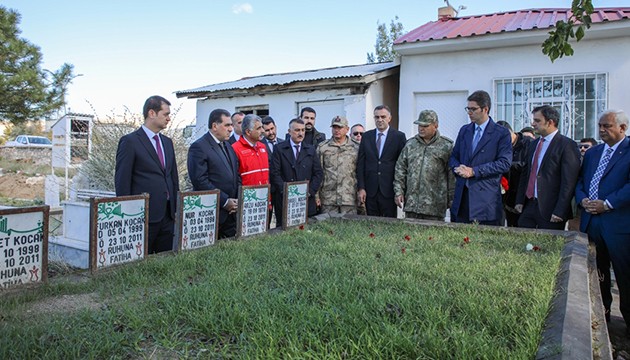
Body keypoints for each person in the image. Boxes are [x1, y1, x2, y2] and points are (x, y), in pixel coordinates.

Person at [575, 109, 630, 327]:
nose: (601, 130)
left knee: (625, 278)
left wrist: (607, 204)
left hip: (619, 226)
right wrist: (583, 200)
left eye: (606, 126)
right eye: (600, 125)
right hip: (592, 224)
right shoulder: (592, 153)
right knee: (597, 275)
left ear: (622, 128)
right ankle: (602, 319)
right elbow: (580, 182)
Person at [115, 95, 180, 254]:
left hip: (167, 215)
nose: (168, 119)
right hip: (143, 216)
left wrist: (176, 208)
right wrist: (128, 214)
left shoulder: (167, 142)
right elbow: (122, 180)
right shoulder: (130, 141)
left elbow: (173, 177)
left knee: (165, 259)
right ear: (152, 113)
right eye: (165, 114)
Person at [448, 90, 512, 225]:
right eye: (468, 109)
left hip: (486, 200)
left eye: (473, 109)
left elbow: (504, 163)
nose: (469, 112)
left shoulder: (500, 133)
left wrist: (474, 171)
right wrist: (457, 167)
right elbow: (454, 156)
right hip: (463, 197)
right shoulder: (465, 130)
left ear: (485, 109)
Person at [514, 105, 580, 230]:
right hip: (529, 205)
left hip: (551, 209)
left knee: (547, 247)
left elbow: (569, 182)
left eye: (537, 121)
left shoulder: (566, 145)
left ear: (550, 122)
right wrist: (519, 201)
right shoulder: (533, 144)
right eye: (533, 120)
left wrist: (560, 210)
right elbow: (526, 174)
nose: (533, 124)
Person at [187, 109, 241, 238]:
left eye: (231, 125)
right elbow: (200, 181)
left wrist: (236, 200)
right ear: (215, 126)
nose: (230, 129)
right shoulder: (199, 147)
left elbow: (236, 175)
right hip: (212, 213)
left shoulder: (228, 146)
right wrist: (224, 201)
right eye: (227, 125)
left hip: (231, 214)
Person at [394, 110, 454, 221]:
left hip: (434, 207)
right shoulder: (410, 144)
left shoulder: (446, 146)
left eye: (425, 125)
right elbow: (400, 169)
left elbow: (451, 175)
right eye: (419, 125)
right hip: (412, 205)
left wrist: (452, 199)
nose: (421, 128)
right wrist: (398, 192)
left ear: (435, 126)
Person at [356, 105, 407, 218]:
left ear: (389, 118)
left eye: (383, 117)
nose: (380, 120)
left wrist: (400, 190)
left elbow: (402, 165)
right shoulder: (367, 136)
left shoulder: (399, 137)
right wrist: (361, 188)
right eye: (377, 117)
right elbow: (361, 164)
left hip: (389, 189)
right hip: (370, 190)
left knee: (389, 225)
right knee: (371, 224)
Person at [271, 118, 323, 226]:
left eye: (303, 130)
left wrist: (310, 191)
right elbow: (275, 173)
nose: (301, 133)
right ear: (289, 132)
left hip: (306, 200)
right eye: (297, 130)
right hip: (285, 200)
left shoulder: (310, 149)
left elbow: (318, 173)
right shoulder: (279, 149)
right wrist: (286, 192)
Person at [316, 116, 360, 215]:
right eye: (334, 127)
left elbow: (360, 172)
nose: (337, 130)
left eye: (340, 127)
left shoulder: (356, 148)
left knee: (350, 228)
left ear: (347, 129)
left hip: (349, 198)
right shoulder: (323, 147)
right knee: (328, 228)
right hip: (328, 198)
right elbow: (318, 173)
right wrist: (316, 196)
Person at [495, 121, 532, 227]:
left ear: (510, 132)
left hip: (524, 193)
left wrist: (508, 165)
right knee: (511, 225)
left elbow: (529, 165)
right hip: (507, 194)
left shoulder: (528, 143)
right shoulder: (502, 147)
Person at [231, 114, 269, 186]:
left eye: (262, 127)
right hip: (248, 195)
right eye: (258, 128)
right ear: (248, 132)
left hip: (265, 195)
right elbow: (236, 178)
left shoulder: (263, 146)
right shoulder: (235, 149)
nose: (263, 131)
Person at [350, 123, 366, 215]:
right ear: (350, 135)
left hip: (364, 189)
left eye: (361, 133)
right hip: (350, 191)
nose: (359, 136)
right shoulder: (347, 149)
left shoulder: (369, 148)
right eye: (355, 133)